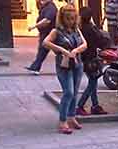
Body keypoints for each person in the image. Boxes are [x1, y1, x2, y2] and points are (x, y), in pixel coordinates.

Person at [43, 4, 87, 134]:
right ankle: (62, 120)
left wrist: (75, 50)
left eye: (73, 18)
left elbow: (85, 44)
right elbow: (45, 42)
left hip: (77, 63)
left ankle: (71, 117)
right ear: (63, 18)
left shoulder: (76, 30)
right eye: (68, 19)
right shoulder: (56, 31)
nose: (71, 21)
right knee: (68, 92)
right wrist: (62, 50)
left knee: (75, 92)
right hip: (64, 65)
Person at [76, 7, 108, 117]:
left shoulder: (79, 28)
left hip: (83, 58)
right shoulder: (91, 28)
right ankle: (80, 105)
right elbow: (101, 40)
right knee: (92, 83)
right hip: (91, 59)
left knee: (93, 82)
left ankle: (95, 105)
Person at [26, 0, 58, 75]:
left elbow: (46, 20)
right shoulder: (46, 7)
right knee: (43, 50)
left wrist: (33, 27)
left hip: (49, 33)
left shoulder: (51, 7)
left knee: (49, 50)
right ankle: (35, 67)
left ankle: (35, 67)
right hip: (46, 32)